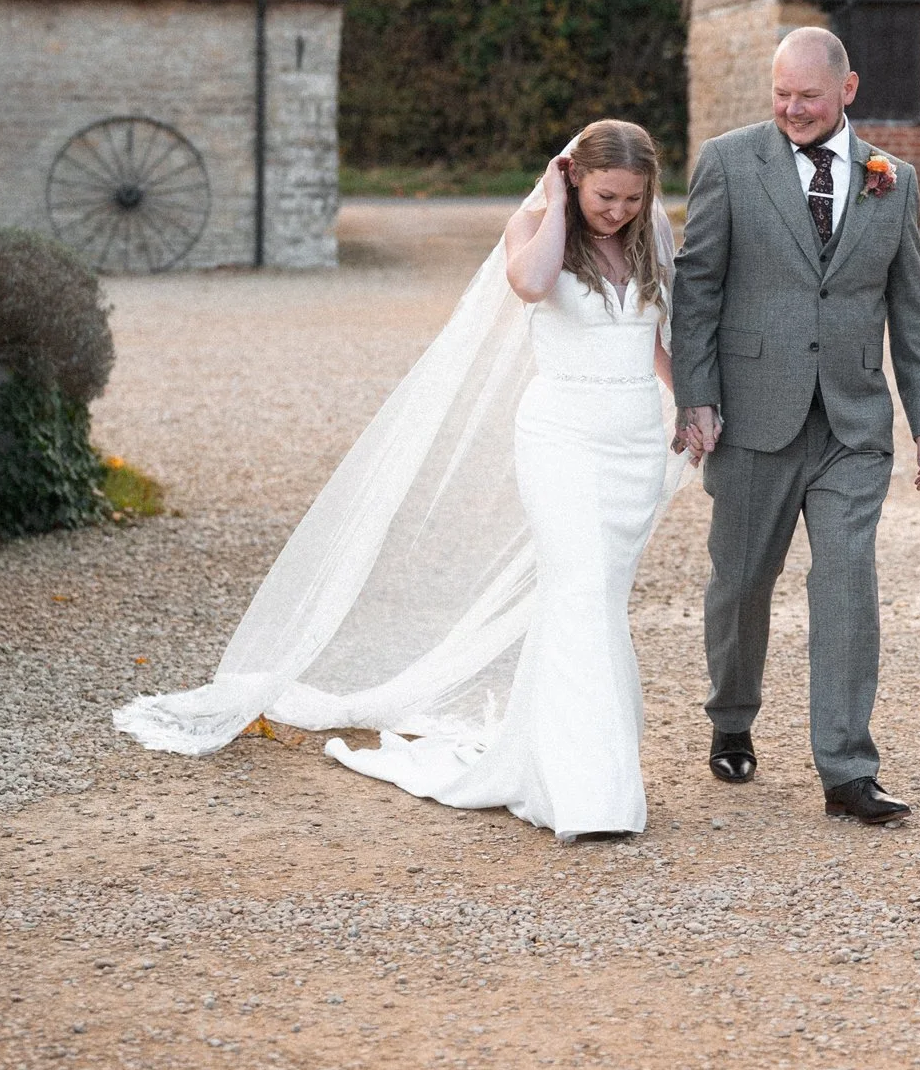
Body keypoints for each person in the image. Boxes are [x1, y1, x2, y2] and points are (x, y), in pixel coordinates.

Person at [115, 121, 686, 845]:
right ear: (576, 178)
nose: (620, 212)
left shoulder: (647, 238)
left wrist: (692, 408)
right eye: (607, 195)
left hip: (633, 440)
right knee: (576, 588)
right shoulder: (537, 227)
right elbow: (531, 283)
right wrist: (551, 199)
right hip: (562, 437)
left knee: (595, 598)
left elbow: (659, 341)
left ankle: (550, 760)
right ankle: (590, 791)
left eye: (634, 199)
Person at [670, 28, 920, 826]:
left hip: (853, 423)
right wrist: (696, 396)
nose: (791, 109)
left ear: (847, 91)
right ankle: (731, 716)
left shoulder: (893, 179)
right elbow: (698, 289)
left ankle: (847, 770)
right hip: (751, 417)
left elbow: (911, 304)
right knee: (741, 583)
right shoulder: (728, 162)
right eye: (780, 94)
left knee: (846, 580)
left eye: (808, 97)